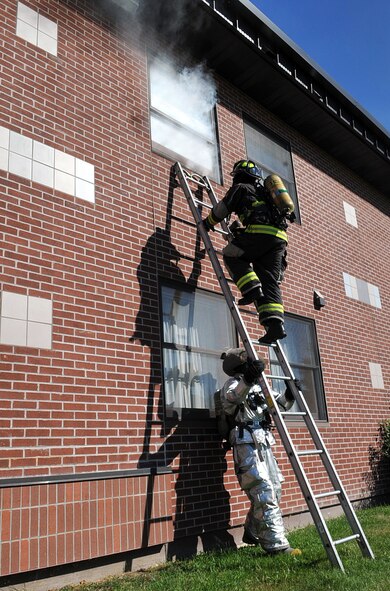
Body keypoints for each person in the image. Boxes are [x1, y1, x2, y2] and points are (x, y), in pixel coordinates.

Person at [220, 347, 301, 556]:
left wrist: (290, 393)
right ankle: (276, 546)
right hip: (245, 442)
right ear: (241, 366)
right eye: (249, 364)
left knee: (275, 487)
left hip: (264, 441)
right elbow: (233, 399)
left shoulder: (260, 386)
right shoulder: (232, 384)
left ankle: (252, 531)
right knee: (263, 490)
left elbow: (280, 404)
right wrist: (247, 379)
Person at [203, 159, 294, 344]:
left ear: (238, 175)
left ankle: (251, 289)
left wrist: (208, 222)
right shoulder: (267, 194)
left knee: (230, 253)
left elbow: (222, 209)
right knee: (269, 280)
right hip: (279, 240)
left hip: (260, 233)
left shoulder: (241, 188)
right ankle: (275, 326)